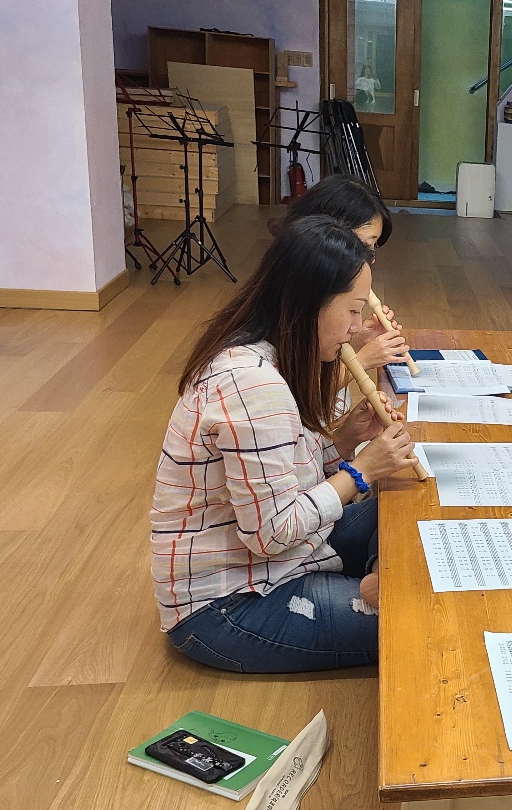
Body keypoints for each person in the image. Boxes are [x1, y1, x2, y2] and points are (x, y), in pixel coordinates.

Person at [150, 216, 417, 674]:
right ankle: (379, 581)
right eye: (353, 311)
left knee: (402, 509)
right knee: (419, 616)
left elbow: (289, 472)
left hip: (292, 555)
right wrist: (362, 471)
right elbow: (271, 533)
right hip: (231, 605)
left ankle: (378, 577)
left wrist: (347, 439)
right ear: (311, 303)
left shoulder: (267, 353)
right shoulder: (254, 384)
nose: (356, 328)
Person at [271, 174, 404, 372]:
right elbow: (301, 388)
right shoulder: (292, 302)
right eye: (365, 246)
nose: (371, 259)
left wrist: (352, 340)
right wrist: (361, 362)